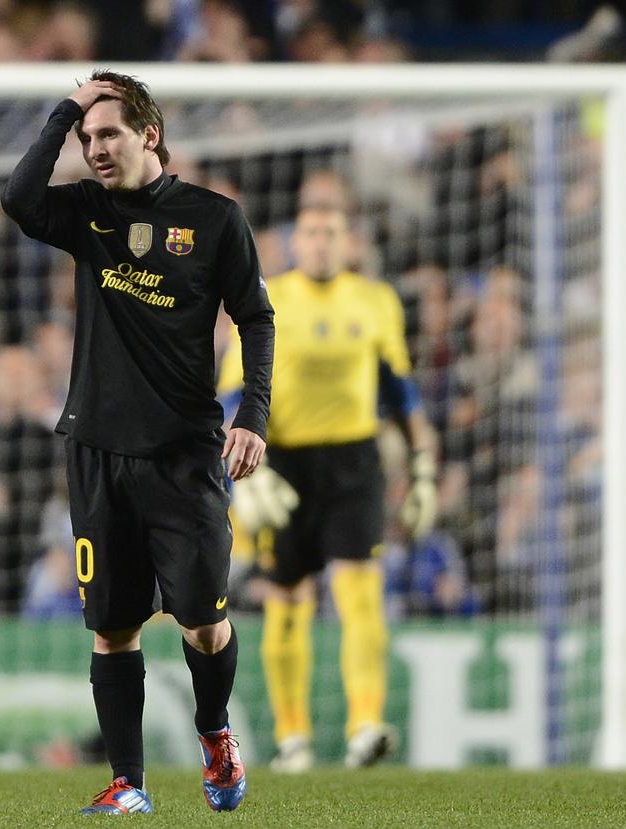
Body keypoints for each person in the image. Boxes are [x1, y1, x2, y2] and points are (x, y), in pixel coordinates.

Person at [2, 70, 274, 814]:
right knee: (113, 629)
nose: (94, 149)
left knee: (203, 624)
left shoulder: (216, 220)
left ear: (149, 133)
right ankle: (129, 781)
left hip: (185, 455)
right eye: (87, 138)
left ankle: (215, 730)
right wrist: (67, 108)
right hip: (95, 452)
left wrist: (253, 413)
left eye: (108, 133)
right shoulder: (87, 211)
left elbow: (255, 317)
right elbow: (18, 200)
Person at [220, 201, 437, 772]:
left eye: (331, 232)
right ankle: (294, 740)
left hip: (353, 461)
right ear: (295, 242)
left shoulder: (375, 301)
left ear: (349, 242)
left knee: (360, 593)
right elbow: (227, 396)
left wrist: (422, 467)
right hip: (281, 462)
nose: (320, 243)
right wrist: (246, 471)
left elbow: (401, 392)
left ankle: (366, 725)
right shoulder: (266, 296)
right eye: (311, 233)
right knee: (287, 601)